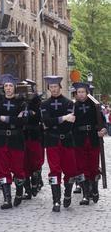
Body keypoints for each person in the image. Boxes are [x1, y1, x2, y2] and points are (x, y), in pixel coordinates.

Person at [41, 76, 80, 212]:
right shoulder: (44, 104)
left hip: (67, 140)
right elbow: (46, 122)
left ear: (60, 87)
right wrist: (63, 118)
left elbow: (69, 124)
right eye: (51, 87)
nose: (53, 89)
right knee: (54, 171)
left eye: (55, 86)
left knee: (70, 171)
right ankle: (56, 200)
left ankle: (68, 194)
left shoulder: (69, 103)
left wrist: (55, 122)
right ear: (49, 88)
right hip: (52, 141)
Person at [0, 74, 28, 210]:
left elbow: (23, 120)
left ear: (15, 88)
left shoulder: (21, 103)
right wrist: (13, 119)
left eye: (10, 86)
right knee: (2, 169)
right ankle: (7, 198)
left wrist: (5, 119)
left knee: (18, 169)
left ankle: (19, 192)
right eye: (6, 86)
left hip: (16, 139)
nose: (8, 88)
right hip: (1, 140)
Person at [72, 82, 107, 205]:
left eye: (83, 92)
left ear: (87, 93)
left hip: (93, 138)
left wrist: (102, 129)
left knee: (93, 165)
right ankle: (86, 193)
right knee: (81, 166)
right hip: (79, 139)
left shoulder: (95, 106)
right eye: (79, 92)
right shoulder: (73, 106)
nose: (81, 94)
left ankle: (95, 189)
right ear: (76, 94)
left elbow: (102, 121)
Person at [23, 80, 44, 199]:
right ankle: (27, 189)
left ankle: (36, 182)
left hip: (35, 134)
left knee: (36, 162)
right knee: (24, 163)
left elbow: (39, 116)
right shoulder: (20, 101)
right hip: (23, 135)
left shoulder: (37, 102)